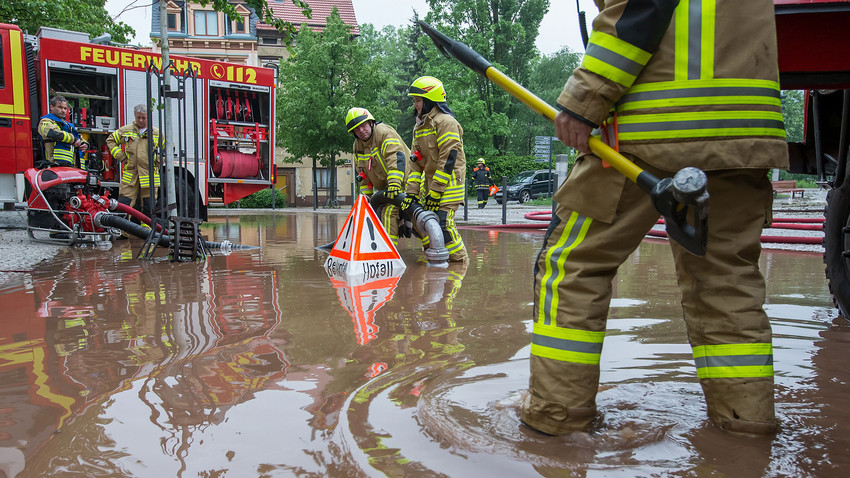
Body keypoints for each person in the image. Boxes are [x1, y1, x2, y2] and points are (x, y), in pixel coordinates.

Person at [521, 0, 788, 435]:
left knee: (572, 266)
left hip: (647, 130)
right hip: (743, 134)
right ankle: (745, 430)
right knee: (726, 283)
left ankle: (557, 422)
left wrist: (584, 98)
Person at [406, 76, 468, 263]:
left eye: (417, 100)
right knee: (420, 221)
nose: (415, 105)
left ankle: (459, 263)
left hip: (448, 184)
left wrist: (436, 191)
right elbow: (415, 162)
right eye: (415, 100)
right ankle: (433, 253)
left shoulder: (445, 122)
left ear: (430, 99)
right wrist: (411, 194)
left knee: (442, 224)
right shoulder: (420, 126)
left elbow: (449, 158)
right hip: (432, 184)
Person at [345, 107, 411, 244]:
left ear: (370, 122)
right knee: (385, 213)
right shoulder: (358, 146)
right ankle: (387, 252)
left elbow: (395, 158)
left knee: (393, 213)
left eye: (363, 125)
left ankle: (388, 253)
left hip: (407, 183)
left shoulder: (383, 132)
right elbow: (363, 176)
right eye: (357, 129)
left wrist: (394, 183)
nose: (361, 131)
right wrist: (366, 201)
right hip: (387, 190)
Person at [106, 104, 161, 218]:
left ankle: (148, 231)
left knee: (149, 206)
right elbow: (110, 140)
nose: (140, 120)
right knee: (123, 204)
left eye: (143, 118)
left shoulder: (156, 133)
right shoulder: (126, 130)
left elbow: (169, 147)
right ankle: (122, 231)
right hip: (130, 174)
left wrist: (160, 160)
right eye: (138, 117)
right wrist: (122, 157)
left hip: (149, 174)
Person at [38, 96, 87, 168]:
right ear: (51, 107)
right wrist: (74, 140)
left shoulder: (68, 125)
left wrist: (84, 144)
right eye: (60, 107)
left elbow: (78, 137)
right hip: (53, 165)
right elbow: (54, 133)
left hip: (71, 167)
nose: (63, 110)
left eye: (65, 108)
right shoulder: (45, 121)